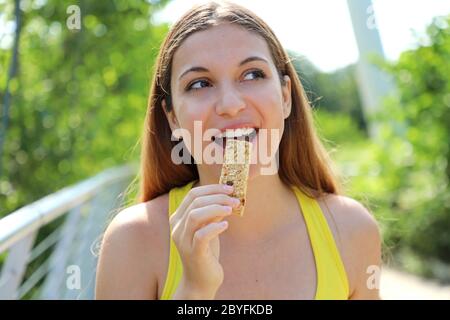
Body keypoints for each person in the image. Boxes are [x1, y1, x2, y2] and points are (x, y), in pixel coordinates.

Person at [95, 1, 381, 300]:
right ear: (173, 117)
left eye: (252, 75)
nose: (231, 105)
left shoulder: (351, 230)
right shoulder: (132, 241)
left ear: (285, 96)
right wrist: (194, 290)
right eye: (200, 83)